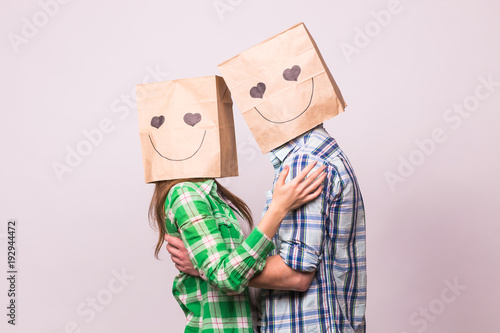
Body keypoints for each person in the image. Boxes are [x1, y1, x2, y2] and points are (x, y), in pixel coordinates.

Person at [167, 123, 366, 332]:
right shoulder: (188, 194)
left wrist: (210, 269)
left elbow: (296, 274)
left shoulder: (304, 161)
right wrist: (215, 269)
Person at [152, 162, 326, 333]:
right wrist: (278, 208)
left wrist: (204, 269)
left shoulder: (213, 192)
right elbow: (224, 277)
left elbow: (229, 269)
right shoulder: (185, 192)